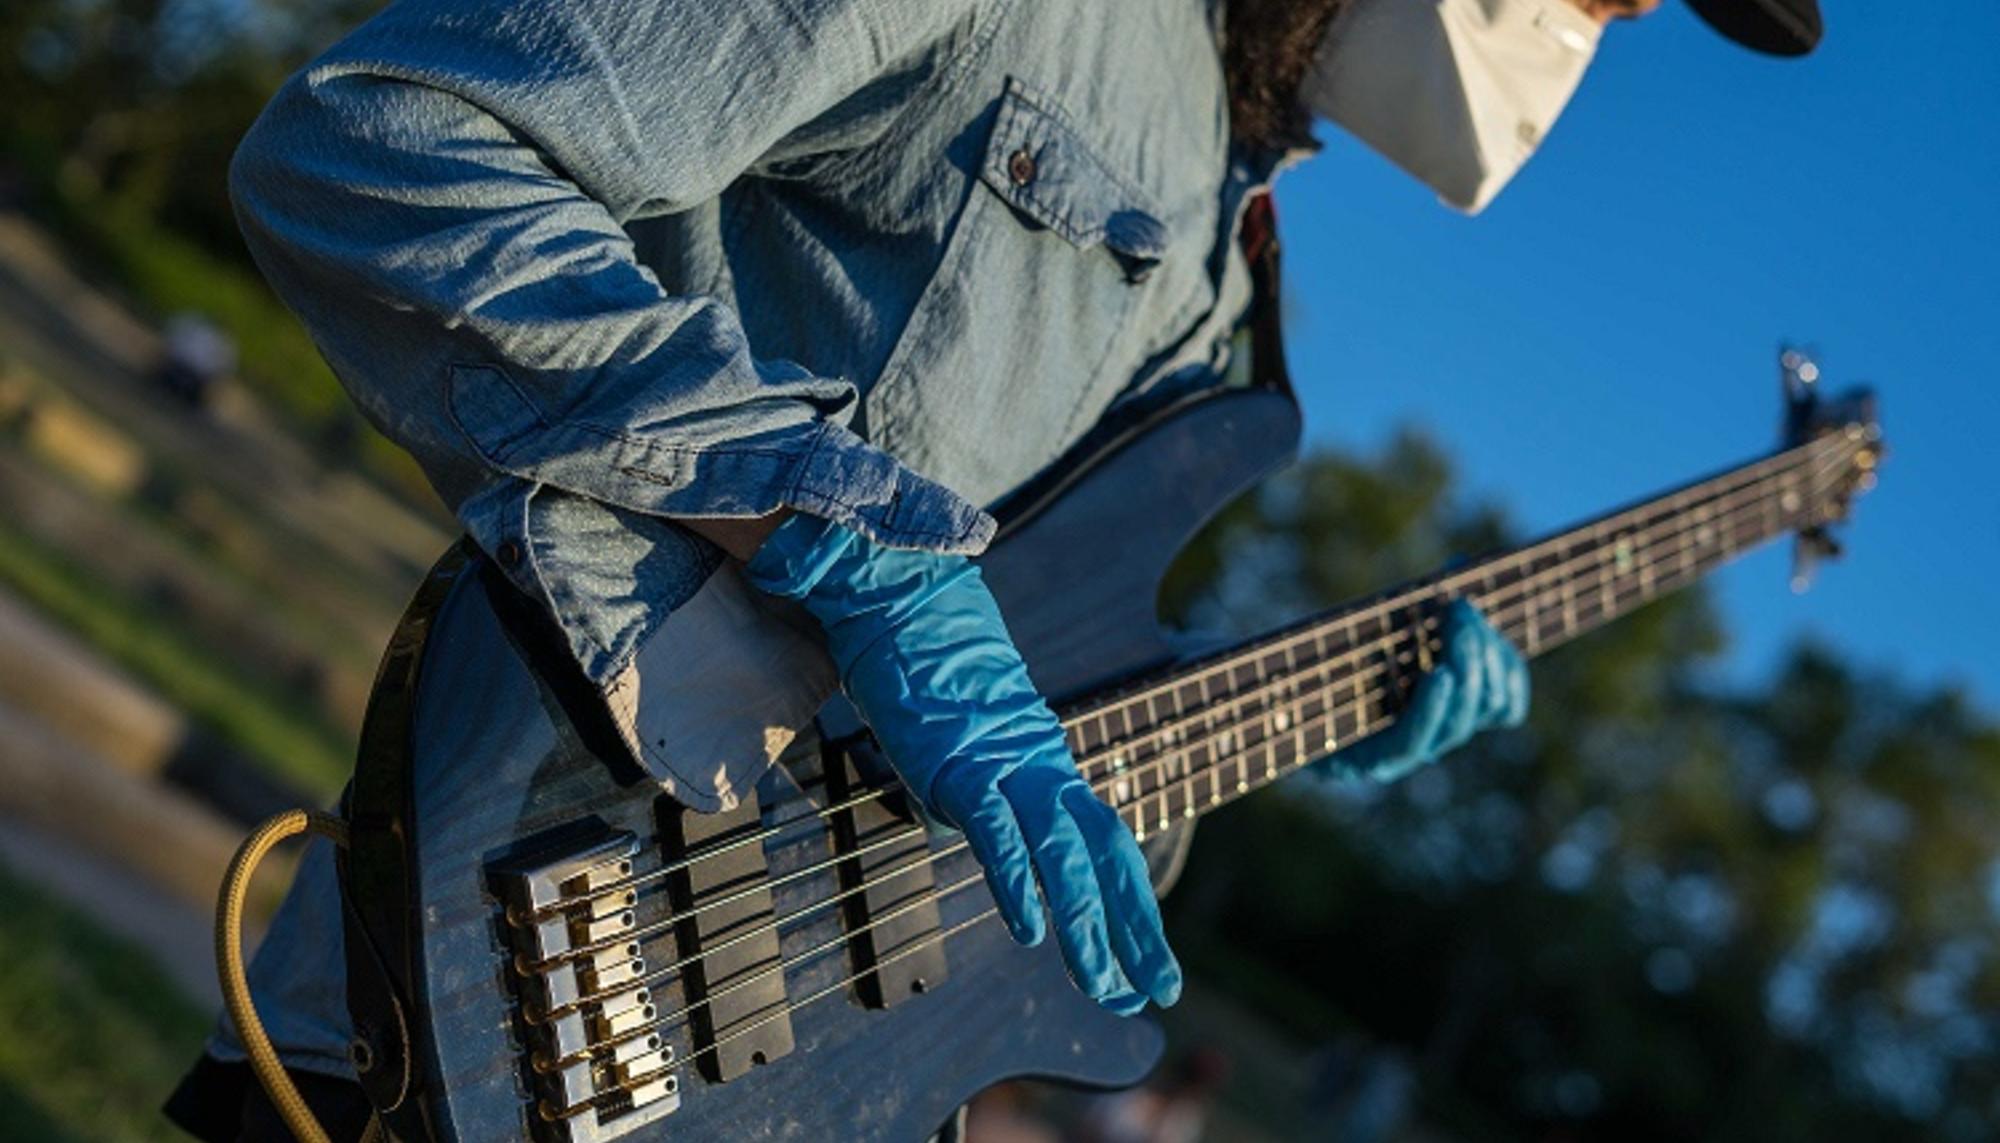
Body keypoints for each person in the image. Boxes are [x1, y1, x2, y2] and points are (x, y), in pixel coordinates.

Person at [164, 0, 1823, 1138]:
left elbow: (964, 820)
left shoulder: (1237, 289)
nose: (1618, 22)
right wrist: (843, 543)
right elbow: (384, 144)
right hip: (483, 997)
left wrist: (1266, 730)